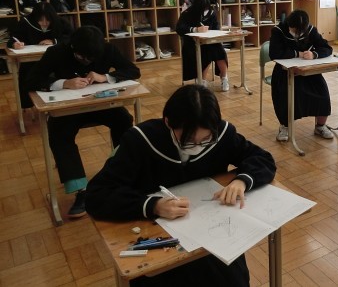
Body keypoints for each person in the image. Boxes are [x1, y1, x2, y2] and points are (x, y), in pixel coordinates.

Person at [85, 84, 276, 286]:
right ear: (168, 122)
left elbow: (263, 158)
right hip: (161, 241)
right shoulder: (140, 141)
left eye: (206, 139)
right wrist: (153, 205)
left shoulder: (221, 134)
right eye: (189, 140)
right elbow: (97, 195)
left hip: (213, 234)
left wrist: (242, 180)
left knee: (233, 279)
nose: (198, 146)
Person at [26, 25, 141, 218]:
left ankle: (121, 171)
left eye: (91, 59)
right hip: (68, 109)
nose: (86, 62)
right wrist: (63, 83)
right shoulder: (56, 52)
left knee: (123, 119)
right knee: (58, 133)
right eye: (82, 57)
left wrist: (105, 77)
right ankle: (81, 190)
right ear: (72, 47)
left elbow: (133, 70)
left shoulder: (107, 49)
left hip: (100, 104)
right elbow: (31, 80)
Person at [269, 9, 333, 142]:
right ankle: (285, 126)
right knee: (286, 95)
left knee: (322, 92)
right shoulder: (278, 31)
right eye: (294, 30)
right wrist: (298, 54)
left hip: (308, 72)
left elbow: (327, 48)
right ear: (289, 25)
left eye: (300, 31)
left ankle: (320, 126)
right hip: (285, 72)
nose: (297, 34)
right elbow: (274, 53)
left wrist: (314, 54)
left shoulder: (310, 30)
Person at [7, 2, 74, 108]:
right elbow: (13, 38)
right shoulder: (25, 23)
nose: (44, 23)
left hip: (55, 61)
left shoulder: (60, 22)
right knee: (29, 79)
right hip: (31, 62)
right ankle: (29, 104)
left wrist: (54, 41)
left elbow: (71, 37)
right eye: (40, 20)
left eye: (48, 20)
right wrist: (15, 44)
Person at [176, 0, 229, 92]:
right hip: (192, 43)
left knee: (220, 52)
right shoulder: (187, 13)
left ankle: (224, 78)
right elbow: (179, 28)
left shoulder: (211, 13)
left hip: (209, 41)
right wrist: (195, 29)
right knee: (206, 53)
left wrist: (211, 31)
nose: (204, 12)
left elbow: (216, 27)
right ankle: (202, 80)